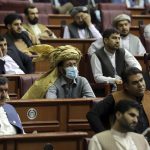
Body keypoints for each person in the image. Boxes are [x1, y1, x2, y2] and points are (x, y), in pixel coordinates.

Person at [87, 67, 150, 134]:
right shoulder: (115, 98)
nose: (140, 85)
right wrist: (105, 135)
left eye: (141, 80)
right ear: (126, 86)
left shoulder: (148, 95)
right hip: (124, 141)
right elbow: (92, 114)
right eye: (135, 83)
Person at [21, 44, 95, 99]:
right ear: (60, 68)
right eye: (69, 65)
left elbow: (92, 100)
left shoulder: (82, 81)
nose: (73, 68)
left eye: (75, 65)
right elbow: (52, 104)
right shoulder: (53, 83)